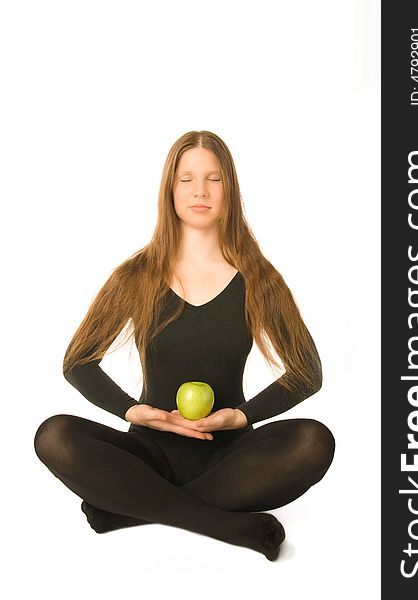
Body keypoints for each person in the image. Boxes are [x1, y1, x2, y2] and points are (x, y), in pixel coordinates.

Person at [34, 130, 335, 561]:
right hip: (147, 451)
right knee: (54, 435)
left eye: (214, 179)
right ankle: (220, 523)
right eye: (186, 178)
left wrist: (239, 417)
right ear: (169, 189)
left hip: (231, 457)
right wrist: (133, 411)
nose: (200, 190)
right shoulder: (135, 275)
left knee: (314, 440)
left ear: (229, 189)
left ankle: (129, 510)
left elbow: (308, 373)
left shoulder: (259, 279)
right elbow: (78, 363)